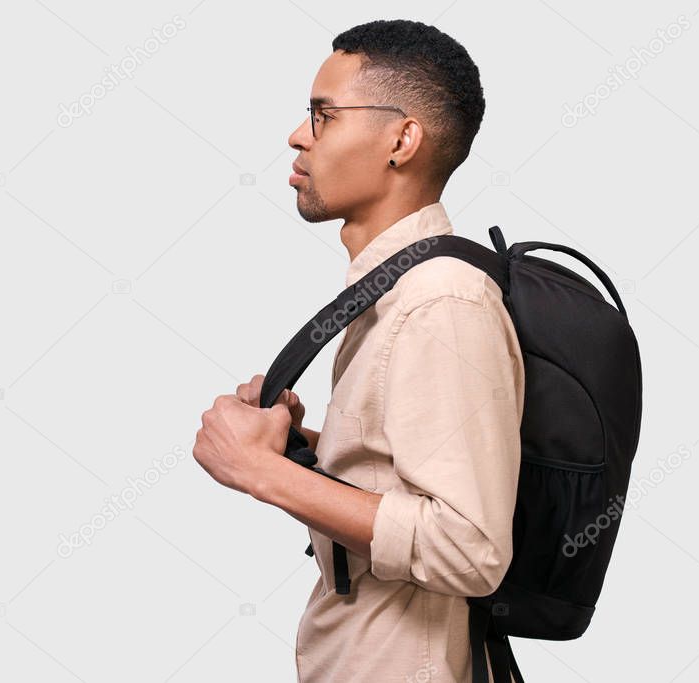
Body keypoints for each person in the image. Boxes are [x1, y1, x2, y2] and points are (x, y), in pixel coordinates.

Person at [193, 19, 523, 682]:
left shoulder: (439, 302)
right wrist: (302, 443)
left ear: (400, 139)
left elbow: (471, 547)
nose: (296, 136)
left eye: (322, 115)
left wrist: (262, 471)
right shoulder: (400, 289)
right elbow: (400, 478)